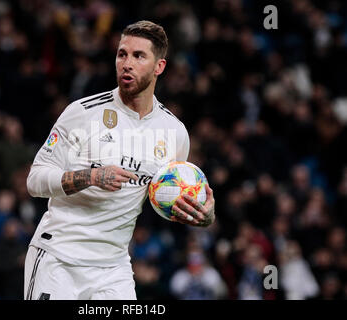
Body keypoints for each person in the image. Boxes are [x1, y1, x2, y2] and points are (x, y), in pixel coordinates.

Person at [24, 20, 216, 300]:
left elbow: (167, 199)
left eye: (138, 56)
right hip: (59, 259)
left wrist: (201, 215)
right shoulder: (82, 113)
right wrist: (91, 176)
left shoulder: (175, 133)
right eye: (122, 54)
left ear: (159, 67)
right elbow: (35, 180)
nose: (127, 63)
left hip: (113, 269)